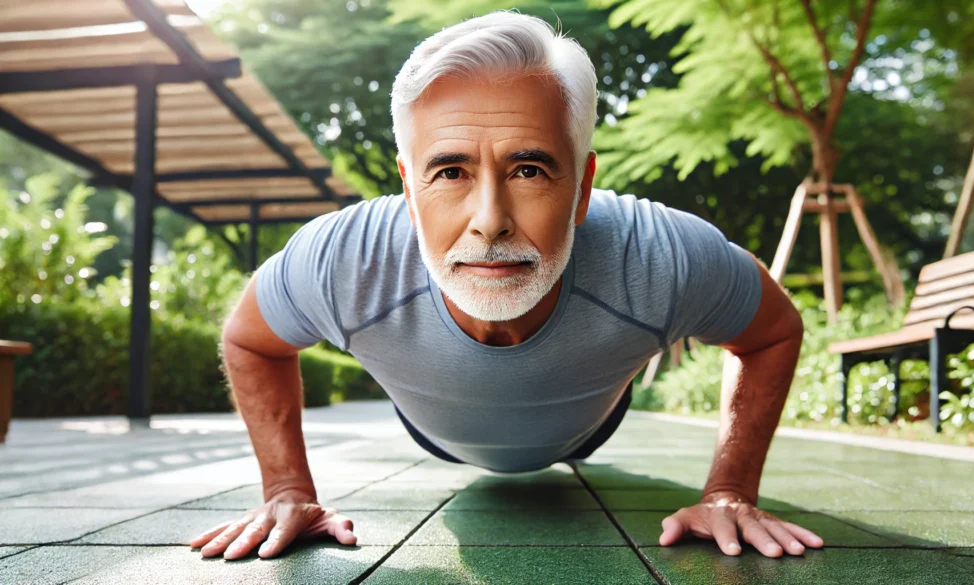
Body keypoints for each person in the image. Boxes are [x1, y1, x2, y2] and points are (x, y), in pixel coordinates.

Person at [191, 10, 823, 562]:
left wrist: (729, 490)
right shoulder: (340, 260)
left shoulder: (661, 254)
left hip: (589, 423)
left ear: (582, 189)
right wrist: (287, 490)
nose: (490, 220)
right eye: (450, 171)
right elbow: (251, 340)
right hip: (433, 430)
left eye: (529, 169)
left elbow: (772, 332)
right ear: (410, 193)